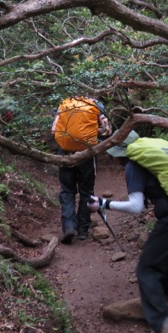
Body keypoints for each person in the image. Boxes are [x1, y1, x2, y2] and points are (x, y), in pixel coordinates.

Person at [89, 131, 168, 333]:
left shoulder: (134, 166)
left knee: (147, 269)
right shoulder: (154, 158)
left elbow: (136, 206)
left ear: (120, 154)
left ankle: (163, 327)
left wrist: (105, 204)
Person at [51, 96, 111, 243]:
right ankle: (83, 230)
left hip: (65, 153)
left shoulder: (64, 105)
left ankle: (69, 226)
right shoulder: (96, 105)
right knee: (86, 191)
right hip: (87, 154)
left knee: (67, 190)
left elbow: (54, 130)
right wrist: (91, 133)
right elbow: (106, 130)